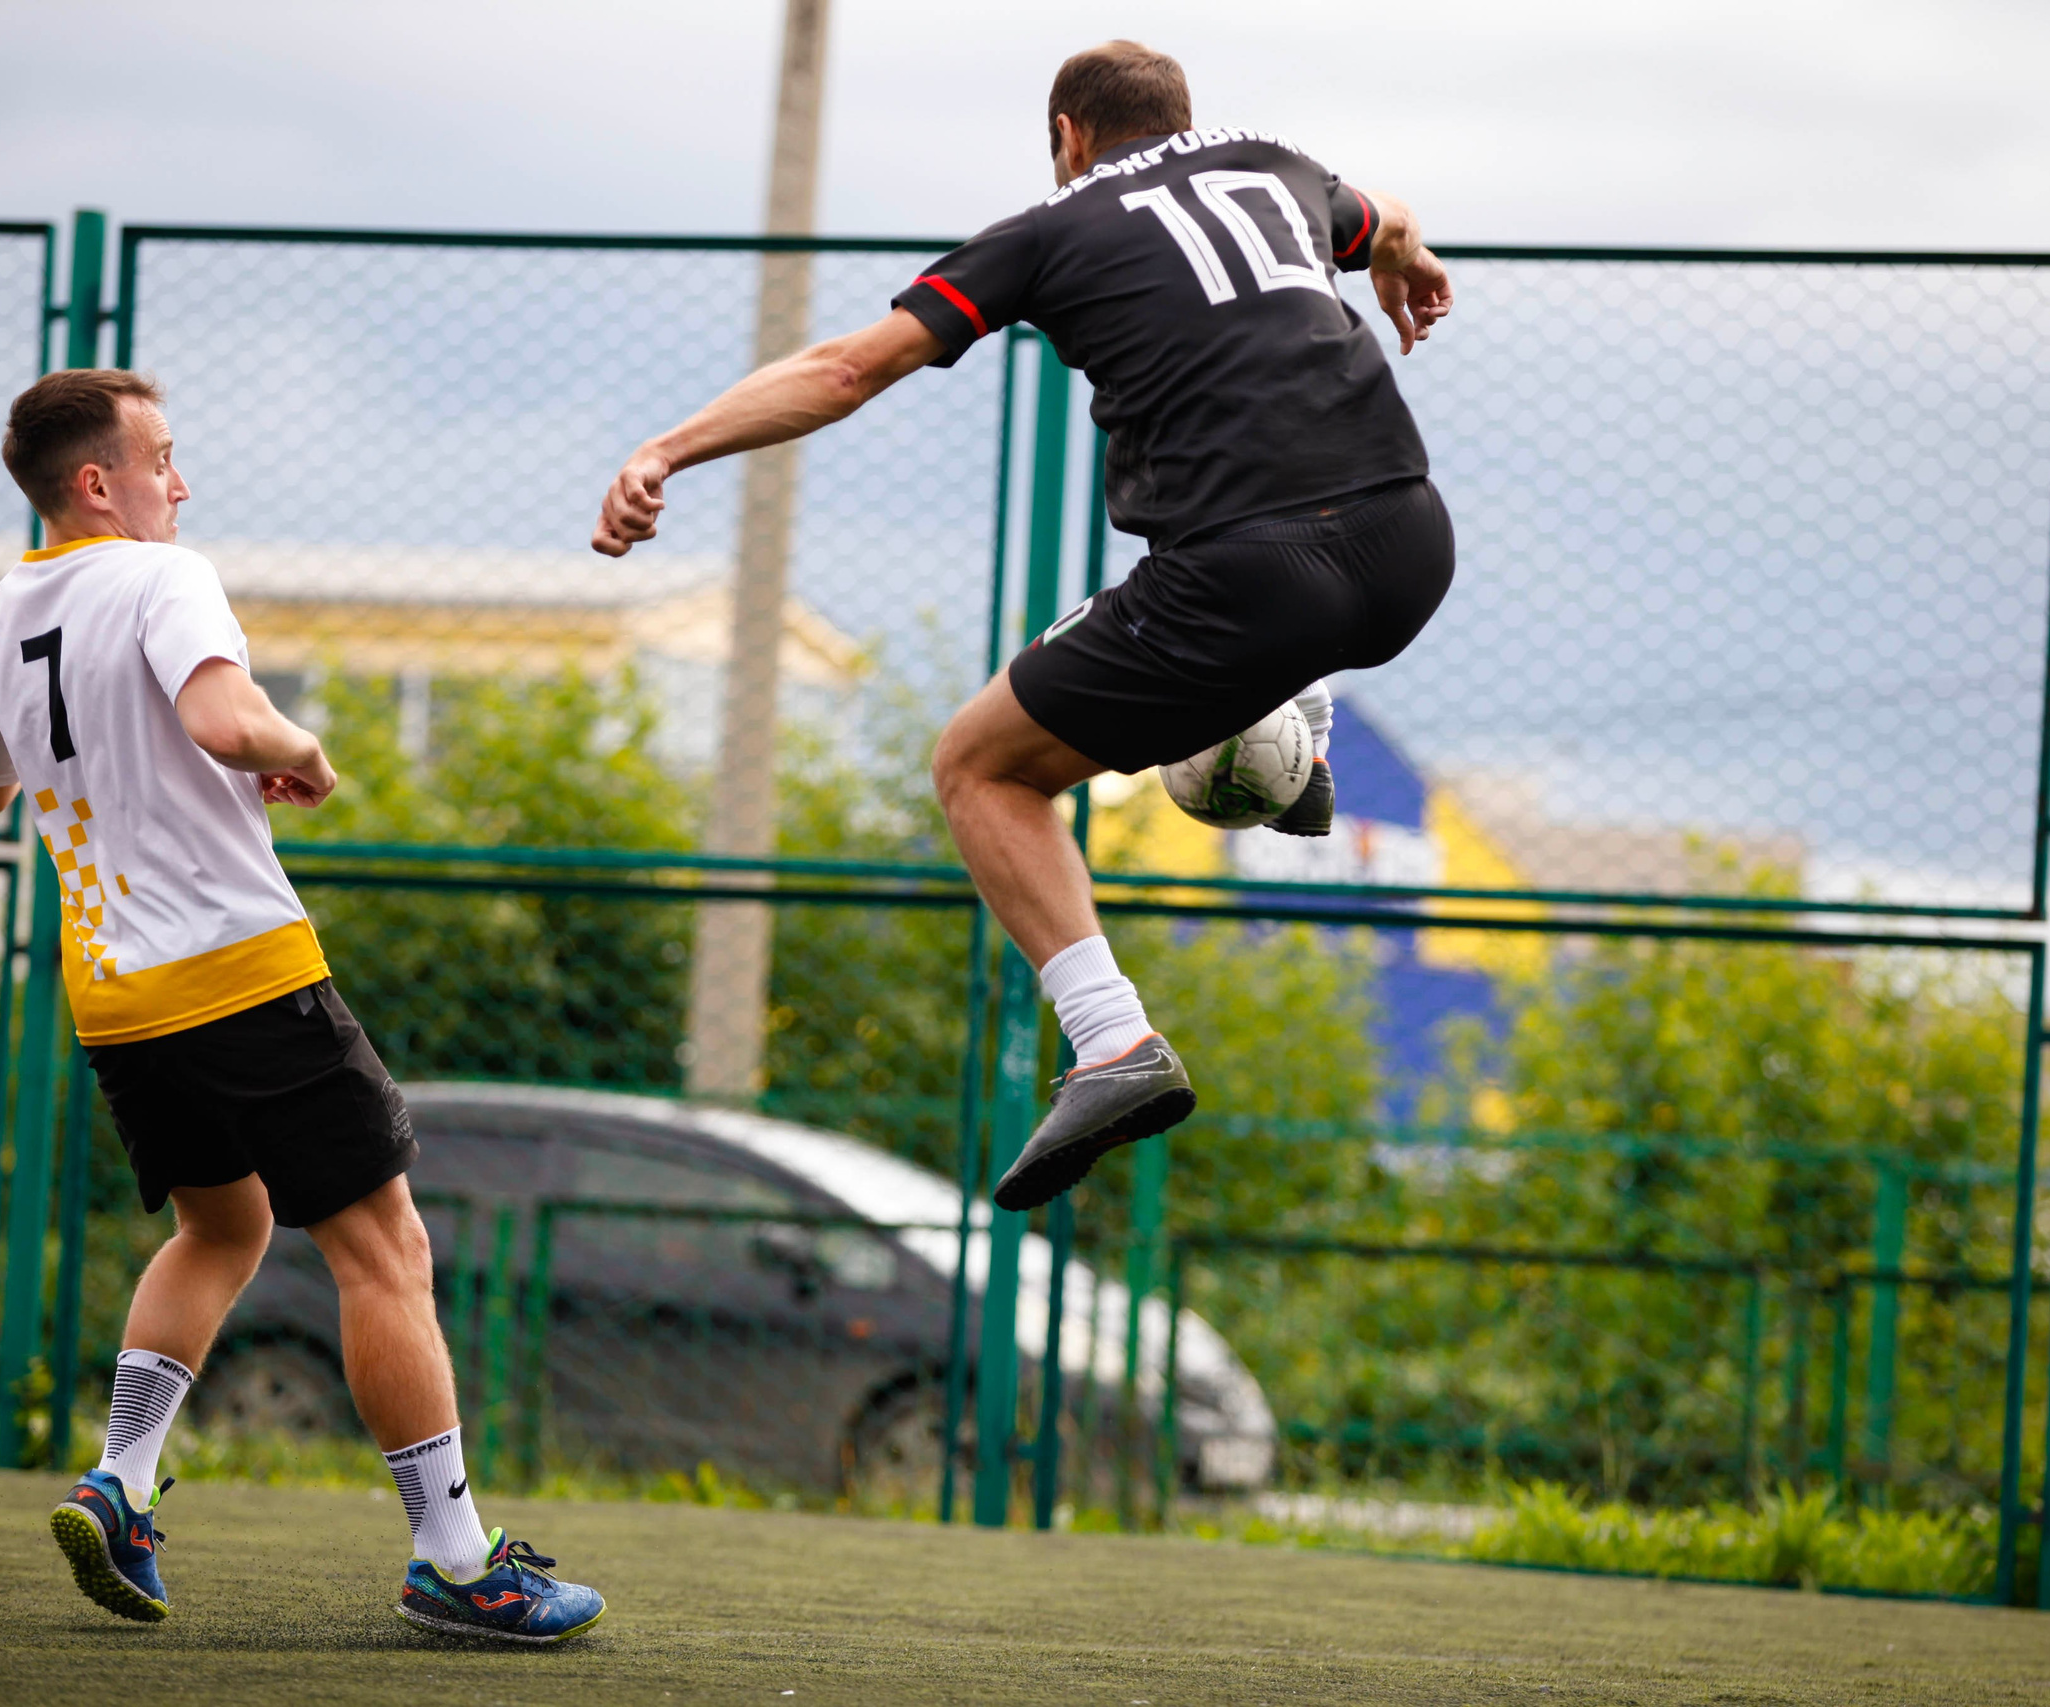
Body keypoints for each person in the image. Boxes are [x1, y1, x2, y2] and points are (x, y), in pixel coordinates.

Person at [592, 41, 1455, 1212]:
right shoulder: (1277, 170)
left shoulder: (1050, 227)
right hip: (1410, 548)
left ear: (1068, 136)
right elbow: (1387, 215)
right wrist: (1406, 263)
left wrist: (668, 448)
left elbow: (848, 369)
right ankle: (1295, 728)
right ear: (1183, 118)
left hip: (1251, 575)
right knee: (1211, 588)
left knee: (978, 766)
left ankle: (1112, 1044)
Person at [0, 367, 603, 1644]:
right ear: (99, 483)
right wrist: (299, 749)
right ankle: (456, 1561)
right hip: (240, 970)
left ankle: (121, 1482)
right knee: (386, 1253)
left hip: (118, 997)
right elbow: (219, 716)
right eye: (162, 458)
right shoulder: (162, 576)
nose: (179, 484)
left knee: (221, 1229)